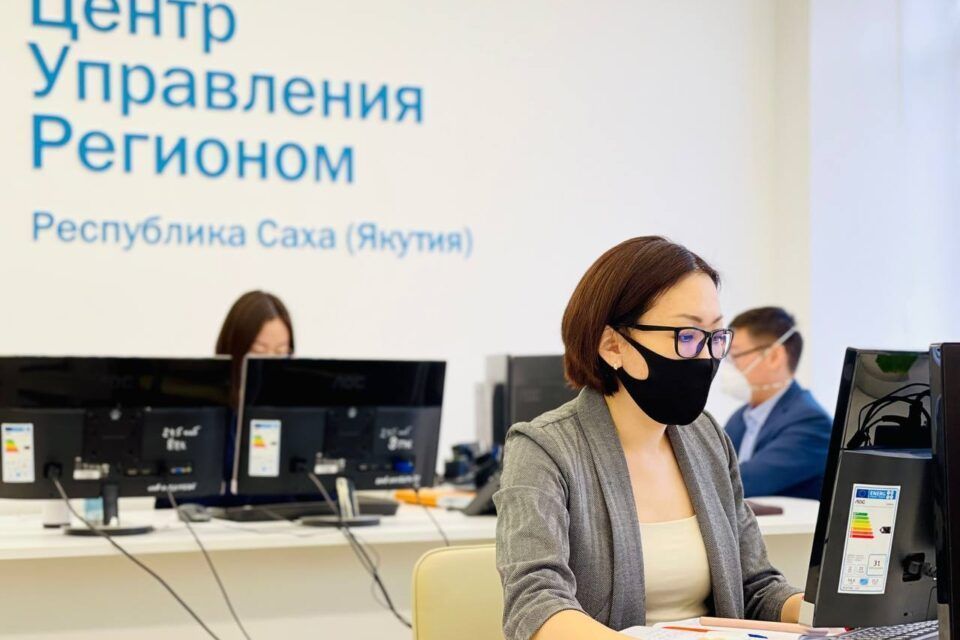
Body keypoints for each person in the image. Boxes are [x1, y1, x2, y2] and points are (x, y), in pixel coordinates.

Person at [494, 237, 802, 640]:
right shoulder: (544, 449)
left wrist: (828, 612)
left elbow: (756, 587)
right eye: (687, 336)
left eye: (715, 336)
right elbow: (535, 604)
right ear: (613, 345)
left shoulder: (707, 438)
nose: (706, 356)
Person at [718, 307, 831, 499]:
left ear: (774, 356)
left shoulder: (811, 422)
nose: (727, 365)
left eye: (734, 355)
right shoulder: (739, 419)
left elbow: (741, 483)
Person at [215, 290, 295, 408]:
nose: (270, 365)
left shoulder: (297, 405)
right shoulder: (210, 406)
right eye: (258, 352)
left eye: (281, 353)